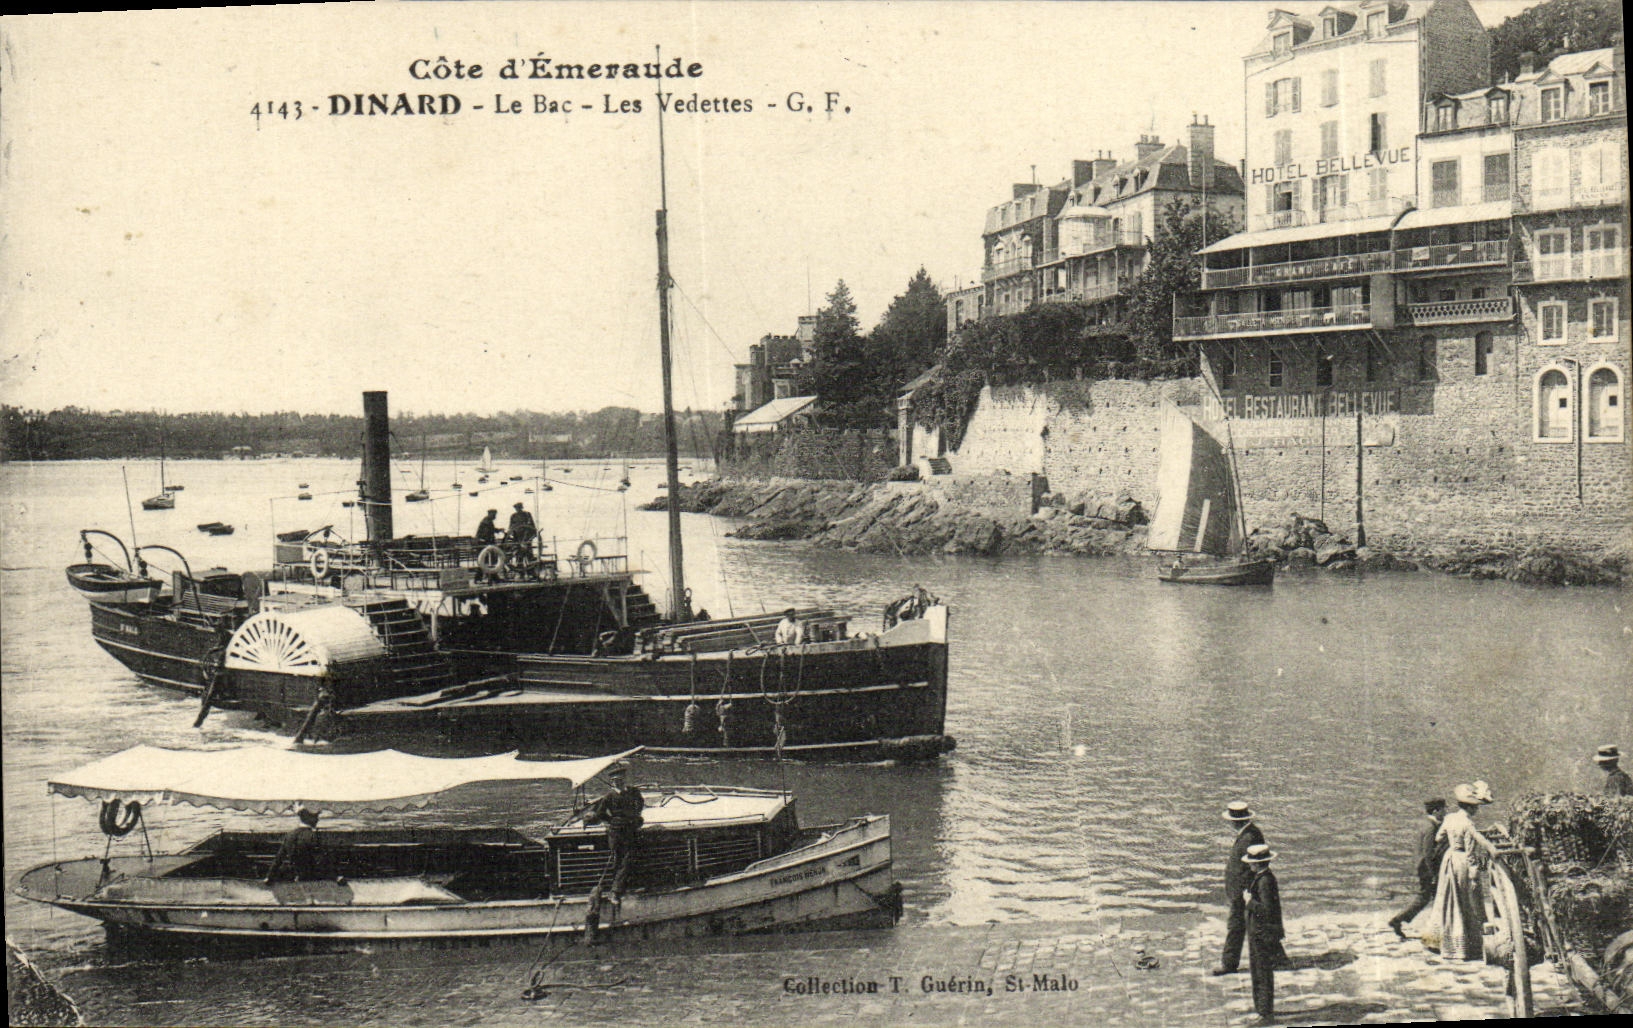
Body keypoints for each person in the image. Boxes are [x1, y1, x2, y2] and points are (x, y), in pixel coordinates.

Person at [1214, 802, 1284, 975]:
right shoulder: (1248, 834)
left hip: (1243, 892)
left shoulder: (1250, 837)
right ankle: (1278, 957)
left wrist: (1246, 895)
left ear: (1236, 821)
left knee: (1236, 926)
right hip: (1242, 891)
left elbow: (1250, 868)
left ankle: (1229, 963)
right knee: (1259, 924)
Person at [583, 765, 645, 941]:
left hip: (630, 830)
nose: (617, 781)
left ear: (624, 779)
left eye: (620, 779)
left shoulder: (632, 791)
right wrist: (612, 821)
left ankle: (616, 891)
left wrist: (636, 816)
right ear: (612, 782)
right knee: (618, 861)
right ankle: (615, 891)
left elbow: (640, 802)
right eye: (615, 780)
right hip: (617, 832)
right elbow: (600, 812)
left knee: (627, 860)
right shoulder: (610, 796)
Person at [1430, 783, 1490, 960]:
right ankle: (1463, 946)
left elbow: (1438, 837)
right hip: (1462, 860)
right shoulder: (1468, 824)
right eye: (1476, 807)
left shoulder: (1449, 818)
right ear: (1470, 807)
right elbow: (1471, 853)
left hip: (1449, 860)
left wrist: (1451, 842)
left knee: (1447, 898)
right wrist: (1474, 874)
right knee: (1466, 901)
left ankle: (1438, 940)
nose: (1477, 810)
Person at [1388, 798, 1447, 940]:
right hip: (1427, 869)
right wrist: (1433, 874)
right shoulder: (1431, 827)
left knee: (1425, 897)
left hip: (1422, 867)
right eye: (1443, 809)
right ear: (1436, 811)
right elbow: (1428, 853)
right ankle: (1399, 920)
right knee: (1431, 897)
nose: (1445, 812)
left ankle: (1399, 920)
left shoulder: (1426, 824)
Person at [1243, 843, 1285, 1021]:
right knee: (1259, 971)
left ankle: (1265, 1013)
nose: (1249, 865)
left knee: (1262, 973)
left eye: (1251, 862)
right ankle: (1262, 1009)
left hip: (1262, 933)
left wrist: (1249, 901)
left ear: (1257, 863)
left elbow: (1266, 909)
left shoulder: (1265, 881)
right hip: (1259, 932)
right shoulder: (1262, 877)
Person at [264, 807, 322, 883]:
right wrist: (335, 876)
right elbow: (319, 859)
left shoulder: (289, 835)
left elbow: (279, 858)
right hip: (310, 877)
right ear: (309, 819)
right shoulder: (312, 835)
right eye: (316, 817)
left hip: (293, 874)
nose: (317, 820)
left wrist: (269, 876)